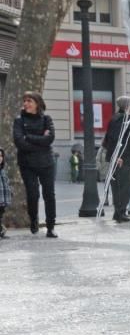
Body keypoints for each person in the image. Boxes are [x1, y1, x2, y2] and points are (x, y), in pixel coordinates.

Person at [12, 91, 57, 237]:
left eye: (29, 100)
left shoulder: (47, 119)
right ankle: (34, 220)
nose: (25, 103)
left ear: (37, 103)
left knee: (49, 194)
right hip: (27, 164)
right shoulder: (19, 120)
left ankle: (51, 226)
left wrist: (29, 137)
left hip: (47, 163)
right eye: (24, 100)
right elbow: (20, 142)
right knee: (33, 194)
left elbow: (50, 139)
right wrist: (40, 141)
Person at [103, 96, 130, 223]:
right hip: (122, 159)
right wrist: (120, 156)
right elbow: (118, 138)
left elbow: (108, 139)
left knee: (117, 186)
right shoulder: (124, 119)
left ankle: (118, 212)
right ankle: (121, 212)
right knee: (124, 186)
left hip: (115, 157)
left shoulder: (114, 118)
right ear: (127, 105)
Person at [0, 148, 10, 238]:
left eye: (1, 156)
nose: (0, 158)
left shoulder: (3, 171)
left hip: (3, 200)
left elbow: (6, 184)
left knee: (1, 215)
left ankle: (1, 231)